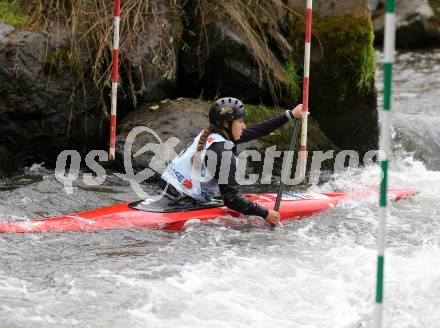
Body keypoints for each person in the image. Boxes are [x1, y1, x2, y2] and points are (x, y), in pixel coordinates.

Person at [161, 97, 303, 226]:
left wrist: (289, 115)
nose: (244, 126)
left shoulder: (210, 134)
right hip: (180, 204)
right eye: (240, 121)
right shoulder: (223, 152)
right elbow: (231, 200)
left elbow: (257, 130)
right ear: (226, 124)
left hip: (165, 193)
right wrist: (265, 214)